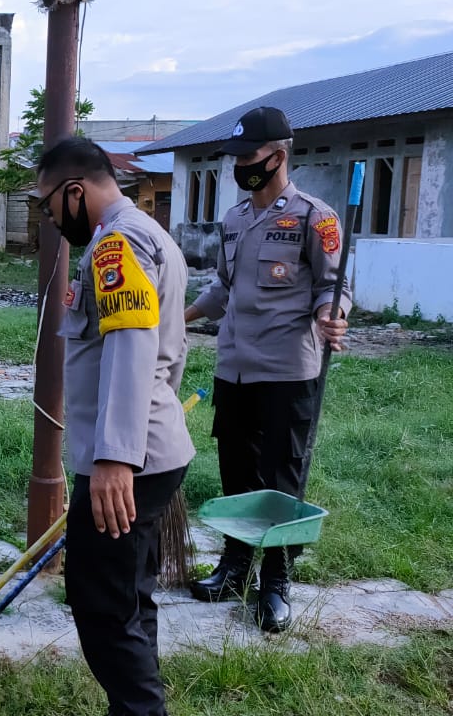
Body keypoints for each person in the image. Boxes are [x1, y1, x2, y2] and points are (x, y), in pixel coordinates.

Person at [34, 136, 194, 716]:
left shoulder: (117, 245)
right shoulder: (147, 235)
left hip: (126, 462)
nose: (51, 219)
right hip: (148, 450)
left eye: (49, 205)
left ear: (75, 191)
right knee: (127, 597)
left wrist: (115, 458)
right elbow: (168, 352)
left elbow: (131, 346)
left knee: (101, 604)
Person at [185, 106, 349, 632]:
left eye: (248, 156)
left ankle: (275, 579)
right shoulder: (234, 220)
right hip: (234, 367)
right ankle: (235, 566)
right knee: (236, 471)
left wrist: (330, 315)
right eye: (235, 158)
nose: (240, 167)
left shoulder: (314, 217)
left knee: (281, 477)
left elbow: (333, 285)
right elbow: (223, 288)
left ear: (278, 156)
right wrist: (176, 319)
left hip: (288, 370)